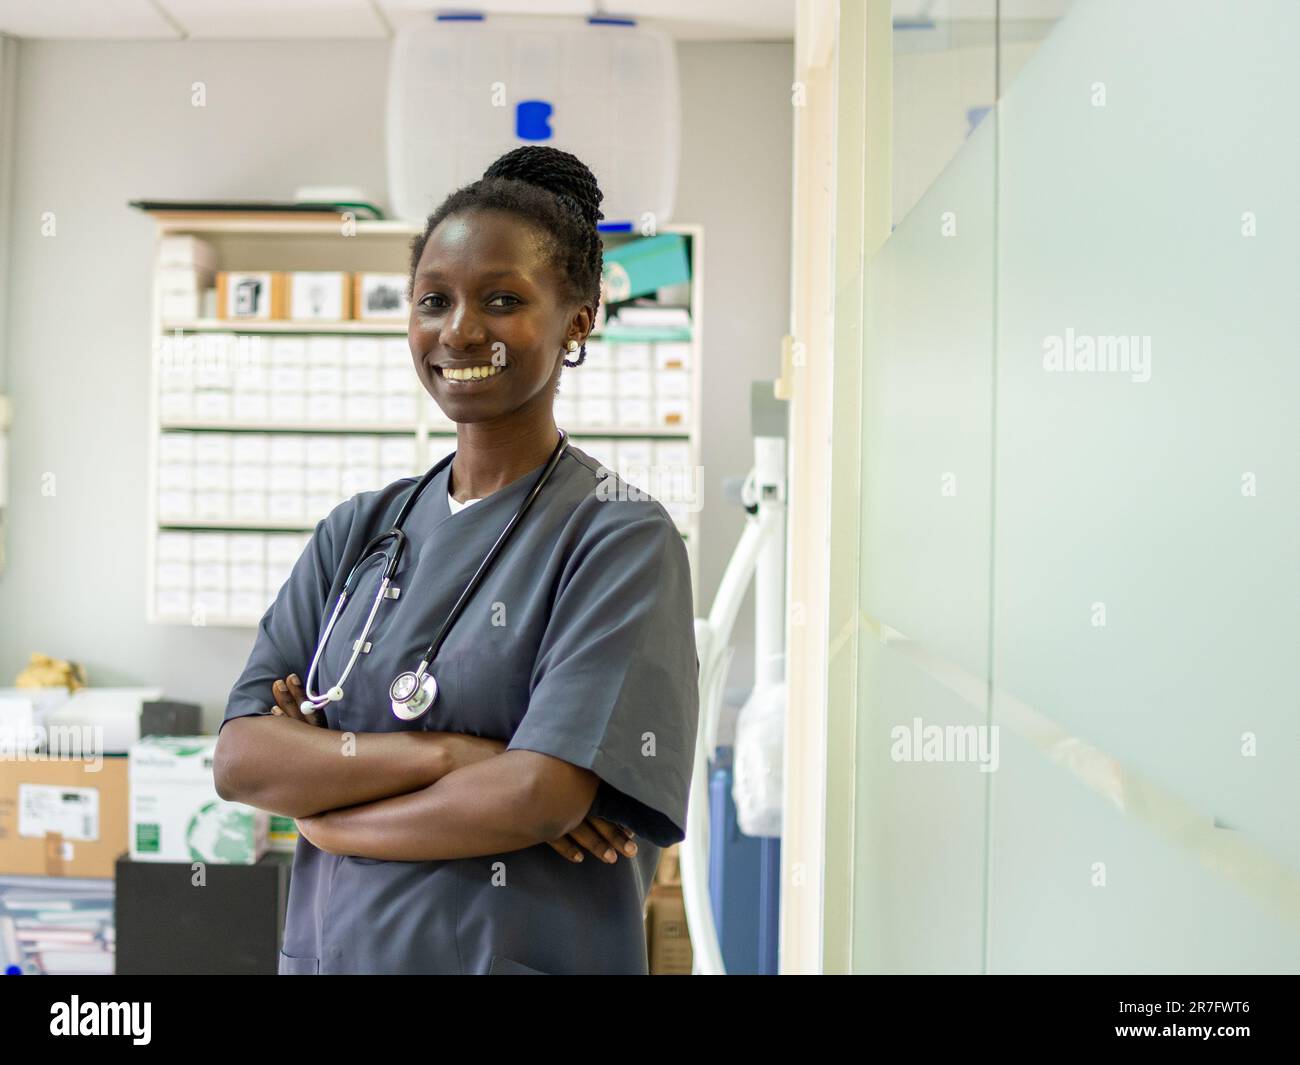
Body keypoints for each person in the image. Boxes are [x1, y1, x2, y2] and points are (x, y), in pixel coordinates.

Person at [212, 145, 700, 975]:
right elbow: (242, 757)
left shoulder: (618, 537)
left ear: (579, 319)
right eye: (434, 300)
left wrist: (328, 815)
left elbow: (538, 795)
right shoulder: (358, 531)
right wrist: (454, 756)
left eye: (504, 299)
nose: (461, 329)